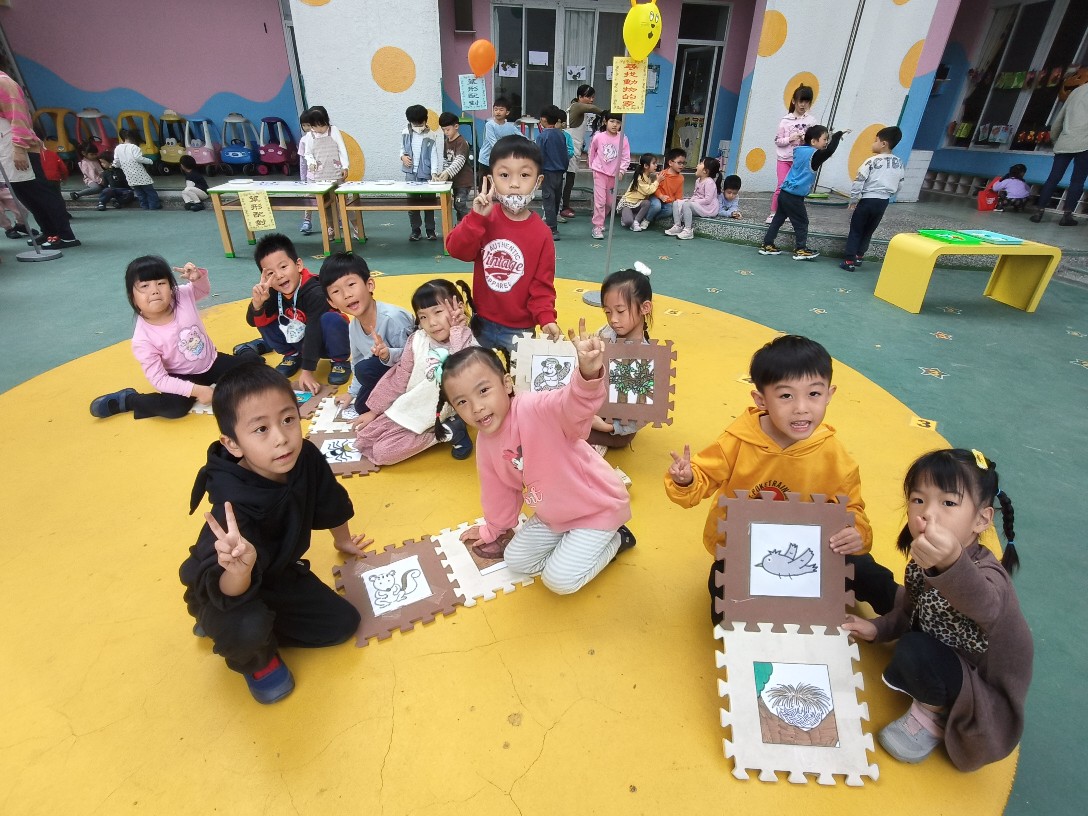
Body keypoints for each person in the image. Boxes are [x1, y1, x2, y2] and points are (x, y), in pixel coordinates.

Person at [664, 334, 898, 622]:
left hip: (813, 551)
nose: (801, 407)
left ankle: (907, 609)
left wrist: (856, 533)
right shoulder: (737, 441)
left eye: (814, 394)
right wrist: (686, 479)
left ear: (829, 394)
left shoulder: (835, 455)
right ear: (761, 400)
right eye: (786, 396)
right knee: (725, 602)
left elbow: (852, 509)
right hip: (747, 551)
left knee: (864, 570)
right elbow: (702, 476)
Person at [180, 362, 372, 704]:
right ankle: (246, 649)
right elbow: (225, 581)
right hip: (229, 585)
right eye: (261, 429)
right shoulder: (232, 510)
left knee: (343, 624)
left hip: (275, 574)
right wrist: (239, 572)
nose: (281, 438)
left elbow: (330, 500)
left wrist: (342, 540)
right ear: (232, 443)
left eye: (287, 420)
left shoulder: (305, 457)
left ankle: (237, 624)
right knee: (246, 627)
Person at [844, 449, 1032, 769]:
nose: (927, 513)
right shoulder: (925, 557)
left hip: (974, 686)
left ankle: (933, 715)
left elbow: (985, 606)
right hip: (933, 626)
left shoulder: (989, 577)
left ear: (981, 519)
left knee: (914, 648)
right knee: (862, 569)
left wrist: (951, 563)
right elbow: (910, 610)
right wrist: (878, 628)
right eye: (918, 500)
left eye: (948, 503)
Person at [438, 320, 636, 591]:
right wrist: (492, 529)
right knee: (516, 560)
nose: (476, 407)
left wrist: (587, 376)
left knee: (559, 580)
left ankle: (617, 538)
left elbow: (569, 405)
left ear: (507, 383)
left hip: (595, 507)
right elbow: (498, 491)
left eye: (483, 391)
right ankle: (576, 544)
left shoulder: (533, 407)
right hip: (553, 513)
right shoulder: (485, 442)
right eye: (462, 402)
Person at [89, 258, 254, 419]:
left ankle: (246, 349)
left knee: (256, 370)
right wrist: (197, 390)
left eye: (161, 283)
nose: (155, 290)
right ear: (132, 297)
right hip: (180, 375)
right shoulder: (143, 339)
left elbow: (202, 291)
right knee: (174, 409)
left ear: (171, 287)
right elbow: (159, 379)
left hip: (211, 361)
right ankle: (130, 400)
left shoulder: (181, 295)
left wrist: (198, 279)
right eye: (145, 286)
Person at [445, 134, 561, 356]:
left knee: (517, 377)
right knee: (477, 375)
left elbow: (542, 286)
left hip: (520, 331)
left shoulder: (542, 234)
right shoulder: (484, 218)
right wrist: (476, 218)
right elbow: (456, 250)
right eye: (504, 175)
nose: (514, 184)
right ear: (491, 180)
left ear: (538, 181)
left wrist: (546, 319)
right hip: (480, 323)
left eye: (524, 175)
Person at [355, 280, 478, 465]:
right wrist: (374, 411)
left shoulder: (468, 341)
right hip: (414, 404)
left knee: (382, 454)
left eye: (438, 312)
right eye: (423, 317)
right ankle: (446, 429)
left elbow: (462, 371)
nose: (432, 323)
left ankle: (448, 432)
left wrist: (457, 331)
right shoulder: (417, 340)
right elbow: (400, 377)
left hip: (446, 410)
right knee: (365, 439)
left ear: (458, 308)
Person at [233, 233, 351, 391]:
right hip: (301, 342)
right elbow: (253, 322)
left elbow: (314, 331)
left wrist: (307, 371)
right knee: (264, 317)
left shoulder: (315, 292)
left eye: (283, 267)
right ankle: (293, 355)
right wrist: (257, 303)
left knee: (332, 319)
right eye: (270, 273)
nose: (279, 275)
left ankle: (340, 361)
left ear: (298, 265)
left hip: (328, 342)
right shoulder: (273, 293)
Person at [318, 251, 416, 415]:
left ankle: (402, 404)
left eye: (351, 284)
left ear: (369, 284)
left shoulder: (393, 318)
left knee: (365, 369)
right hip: (386, 374)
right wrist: (352, 393)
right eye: (336, 292)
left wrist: (387, 354)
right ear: (331, 302)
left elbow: (414, 359)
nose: (347, 295)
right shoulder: (353, 326)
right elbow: (356, 361)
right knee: (361, 406)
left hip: (411, 376)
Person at [0, 69, 80, 249]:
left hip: (22, 148)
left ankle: (65, 235)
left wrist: (19, 149)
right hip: (5, 150)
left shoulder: (3, 83)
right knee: (26, 195)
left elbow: (18, 117)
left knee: (42, 193)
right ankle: (49, 231)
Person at [760, 125, 849, 260]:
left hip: (785, 192)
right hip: (794, 197)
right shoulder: (814, 155)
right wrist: (837, 136)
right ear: (813, 141)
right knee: (802, 222)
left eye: (827, 139)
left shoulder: (799, 150)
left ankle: (767, 244)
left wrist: (830, 137)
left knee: (778, 219)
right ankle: (801, 249)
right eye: (825, 139)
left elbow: (823, 150)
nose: (826, 142)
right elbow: (829, 151)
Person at [589, 265, 653, 449]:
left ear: (645, 307)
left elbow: (643, 413)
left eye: (620, 311)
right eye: (608, 312)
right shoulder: (606, 333)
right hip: (592, 410)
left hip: (615, 431)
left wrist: (608, 427)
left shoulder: (645, 357)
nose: (613, 319)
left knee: (566, 432)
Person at [841, 126, 905, 271]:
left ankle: (849, 260)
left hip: (867, 201)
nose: (873, 144)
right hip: (883, 202)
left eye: (876, 141)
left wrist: (854, 200)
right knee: (869, 229)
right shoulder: (899, 163)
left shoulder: (871, 161)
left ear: (883, 144)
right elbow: (900, 183)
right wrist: (891, 194)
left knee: (856, 229)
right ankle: (859, 256)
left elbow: (859, 180)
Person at [1030, 80, 1088, 225]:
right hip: (1085, 144)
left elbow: (1059, 118)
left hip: (1065, 141)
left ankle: (1038, 212)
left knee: (1053, 178)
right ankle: (1067, 216)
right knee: (1077, 181)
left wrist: (1055, 140)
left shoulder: (1076, 91)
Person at [768, 84, 817, 224]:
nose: (803, 105)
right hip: (784, 159)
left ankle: (790, 214)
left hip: (801, 161)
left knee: (796, 188)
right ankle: (773, 213)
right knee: (781, 186)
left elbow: (814, 141)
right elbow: (777, 141)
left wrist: (806, 139)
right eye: (801, 101)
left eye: (806, 101)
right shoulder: (785, 120)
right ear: (794, 101)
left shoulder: (811, 121)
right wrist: (790, 138)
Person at [298, 106, 349, 237]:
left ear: (326, 121)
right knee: (326, 203)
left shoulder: (334, 131)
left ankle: (354, 227)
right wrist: (311, 162)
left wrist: (345, 166)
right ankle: (330, 227)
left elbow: (342, 149)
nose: (318, 129)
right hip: (320, 176)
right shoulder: (310, 135)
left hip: (336, 172)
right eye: (314, 126)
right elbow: (308, 153)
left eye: (321, 125)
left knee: (344, 200)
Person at [400, 104, 444, 242]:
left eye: (420, 123)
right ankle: (415, 231)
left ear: (425, 120)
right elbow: (402, 148)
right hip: (410, 174)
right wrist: (402, 157)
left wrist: (434, 173)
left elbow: (434, 155)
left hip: (426, 175)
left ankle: (430, 230)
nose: (418, 126)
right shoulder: (405, 132)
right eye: (415, 124)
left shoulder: (431, 134)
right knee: (412, 205)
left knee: (429, 204)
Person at [587, 111, 631, 240]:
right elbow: (592, 151)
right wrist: (592, 166)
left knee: (609, 202)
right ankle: (597, 226)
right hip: (599, 173)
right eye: (612, 121)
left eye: (618, 122)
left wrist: (621, 170)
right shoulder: (598, 137)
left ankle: (601, 221)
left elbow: (625, 157)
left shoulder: (623, 139)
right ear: (605, 122)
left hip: (614, 175)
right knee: (600, 201)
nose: (614, 125)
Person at [561, 85, 602, 218]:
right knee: (568, 179)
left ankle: (564, 205)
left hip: (575, 147)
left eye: (593, 97)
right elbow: (592, 109)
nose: (591, 100)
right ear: (579, 97)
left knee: (570, 179)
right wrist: (606, 113)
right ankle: (564, 207)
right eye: (588, 97)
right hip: (569, 149)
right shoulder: (577, 106)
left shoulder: (577, 109)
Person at [665, 156, 721, 239]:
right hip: (698, 205)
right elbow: (695, 195)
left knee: (687, 205)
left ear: (705, 171)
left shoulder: (709, 182)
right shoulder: (698, 181)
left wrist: (692, 202)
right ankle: (677, 226)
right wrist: (690, 200)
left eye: (701, 163)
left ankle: (688, 230)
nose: (697, 165)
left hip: (708, 208)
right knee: (676, 203)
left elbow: (708, 200)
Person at [536, 105, 568, 240]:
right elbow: (565, 154)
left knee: (548, 199)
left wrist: (537, 173)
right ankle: (553, 223)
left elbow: (539, 156)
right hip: (560, 172)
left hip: (547, 172)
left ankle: (552, 228)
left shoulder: (542, 136)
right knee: (556, 199)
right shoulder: (561, 135)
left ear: (544, 119)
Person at [435, 112, 473, 221]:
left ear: (456, 126)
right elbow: (446, 161)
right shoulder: (446, 142)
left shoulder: (462, 142)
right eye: (443, 130)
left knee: (460, 203)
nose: (445, 132)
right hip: (454, 181)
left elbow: (459, 160)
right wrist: (442, 174)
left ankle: (468, 222)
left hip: (464, 181)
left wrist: (447, 172)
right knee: (457, 205)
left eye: (447, 129)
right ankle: (461, 224)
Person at [478, 98, 521, 189]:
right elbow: (494, 143)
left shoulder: (511, 127)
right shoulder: (489, 125)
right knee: (485, 186)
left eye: (501, 110)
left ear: (507, 112)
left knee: (500, 186)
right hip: (486, 160)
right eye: (496, 109)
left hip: (501, 161)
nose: (498, 112)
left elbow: (522, 138)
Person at [113, 128, 160, 210]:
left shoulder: (118, 148)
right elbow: (138, 158)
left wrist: (117, 166)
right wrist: (150, 161)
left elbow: (116, 161)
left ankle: (144, 206)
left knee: (139, 192)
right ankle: (154, 206)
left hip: (129, 175)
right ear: (134, 138)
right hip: (140, 174)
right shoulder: (134, 147)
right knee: (149, 191)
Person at [619, 153, 659, 231]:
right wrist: (658, 181)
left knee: (647, 203)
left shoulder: (648, 177)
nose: (656, 165)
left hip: (638, 204)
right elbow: (648, 191)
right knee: (628, 221)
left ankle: (636, 222)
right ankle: (626, 217)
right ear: (646, 166)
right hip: (628, 204)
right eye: (654, 163)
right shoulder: (640, 177)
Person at [646, 148, 687, 226]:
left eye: (683, 163)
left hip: (668, 201)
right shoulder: (663, 174)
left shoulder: (681, 178)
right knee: (656, 206)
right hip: (656, 197)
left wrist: (678, 204)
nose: (682, 165)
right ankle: (646, 219)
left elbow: (679, 193)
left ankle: (653, 219)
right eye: (679, 163)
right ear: (670, 163)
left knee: (669, 210)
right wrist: (661, 196)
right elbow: (656, 188)